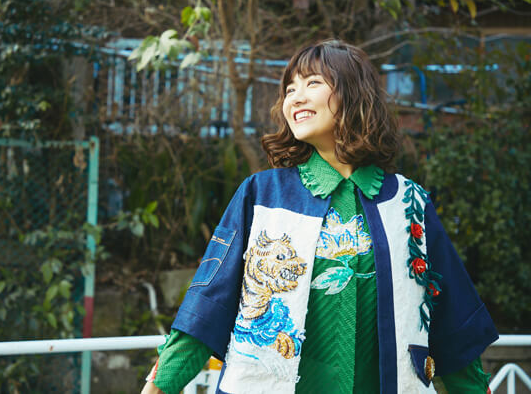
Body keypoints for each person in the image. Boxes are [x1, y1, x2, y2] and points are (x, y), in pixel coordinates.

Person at [141, 39, 498, 394]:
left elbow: (454, 327)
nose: (295, 98)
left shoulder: (408, 203)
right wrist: (158, 387)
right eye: (289, 89)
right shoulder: (262, 195)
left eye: (312, 83)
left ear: (354, 94)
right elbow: (206, 307)